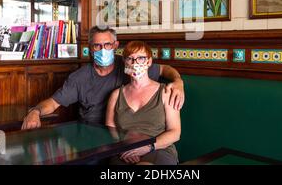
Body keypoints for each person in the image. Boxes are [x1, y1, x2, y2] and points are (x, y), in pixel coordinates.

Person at [22, 26, 184, 129]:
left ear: (115, 46)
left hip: (122, 132)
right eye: (97, 46)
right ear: (91, 49)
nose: (103, 50)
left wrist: (178, 82)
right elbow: (53, 102)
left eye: (107, 45)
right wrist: (35, 112)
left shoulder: (130, 67)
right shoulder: (79, 78)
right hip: (90, 133)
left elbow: (165, 69)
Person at [106, 41, 181, 165]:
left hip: (158, 148)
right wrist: (121, 149)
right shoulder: (115, 95)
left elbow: (175, 132)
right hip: (124, 152)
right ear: (125, 62)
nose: (135, 63)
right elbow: (110, 127)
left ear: (149, 61)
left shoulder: (165, 92)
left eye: (141, 58)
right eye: (130, 59)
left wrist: (148, 147)